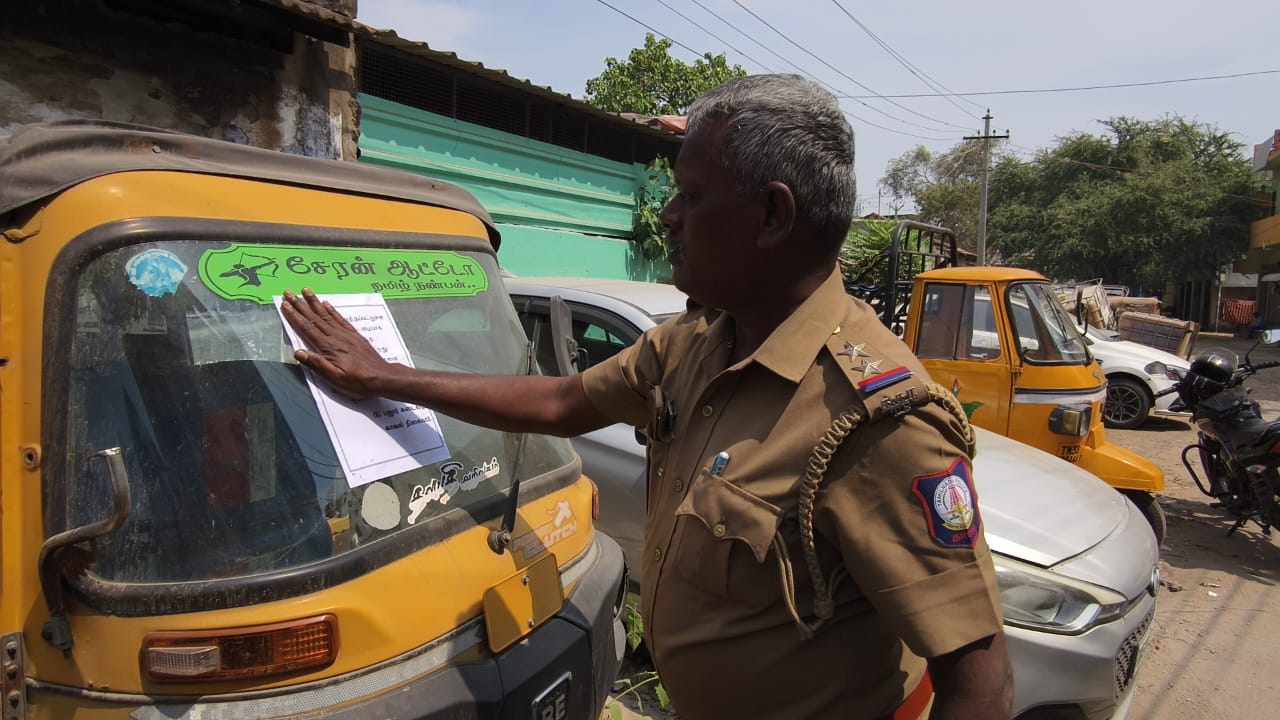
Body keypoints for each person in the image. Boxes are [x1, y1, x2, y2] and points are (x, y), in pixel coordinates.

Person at [282, 73, 1012, 720]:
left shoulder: (876, 421)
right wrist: (385, 376)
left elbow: (980, 683)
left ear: (773, 216)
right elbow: (559, 402)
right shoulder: (693, 344)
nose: (665, 217)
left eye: (691, 196)